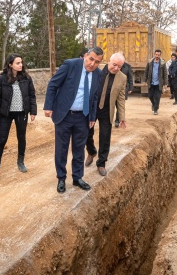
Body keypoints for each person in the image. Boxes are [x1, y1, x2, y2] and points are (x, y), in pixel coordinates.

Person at [44, 47, 104, 193]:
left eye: (97, 62)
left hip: (82, 117)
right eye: (91, 59)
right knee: (61, 149)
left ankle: (77, 178)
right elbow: (53, 85)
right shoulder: (70, 65)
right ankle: (61, 178)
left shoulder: (98, 74)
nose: (92, 64)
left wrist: (91, 117)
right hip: (64, 115)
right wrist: (48, 106)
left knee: (79, 149)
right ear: (85, 56)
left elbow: (95, 97)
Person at [0, 53, 37, 179]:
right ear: (10, 64)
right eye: (18, 63)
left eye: (21, 63)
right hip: (6, 114)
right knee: (2, 140)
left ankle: (20, 162)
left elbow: (32, 95)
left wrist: (33, 111)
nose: (21, 65)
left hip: (22, 113)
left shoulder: (26, 78)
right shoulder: (1, 79)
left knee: (21, 138)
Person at [85, 53, 128, 176]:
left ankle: (101, 163)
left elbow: (120, 99)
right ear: (109, 61)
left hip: (107, 111)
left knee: (105, 137)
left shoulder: (122, 78)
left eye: (119, 66)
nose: (116, 68)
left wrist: (122, 117)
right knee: (87, 133)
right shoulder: (96, 71)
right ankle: (91, 151)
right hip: (93, 108)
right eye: (114, 65)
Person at [144, 49, 168, 115]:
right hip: (151, 82)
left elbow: (165, 73)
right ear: (154, 54)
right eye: (156, 54)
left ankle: (155, 109)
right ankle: (154, 105)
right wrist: (145, 80)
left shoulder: (162, 63)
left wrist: (165, 83)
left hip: (159, 83)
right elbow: (146, 71)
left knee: (157, 97)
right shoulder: (150, 62)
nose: (157, 56)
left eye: (158, 55)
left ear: (160, 55)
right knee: (150, 96)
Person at [115, 59, 134, 128]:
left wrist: (131, 88)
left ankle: (117, 120)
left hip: (123, 89)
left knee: (119, 104)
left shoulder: (127, 67)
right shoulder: (113, 67)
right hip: (114, 89)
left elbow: (130, 77)